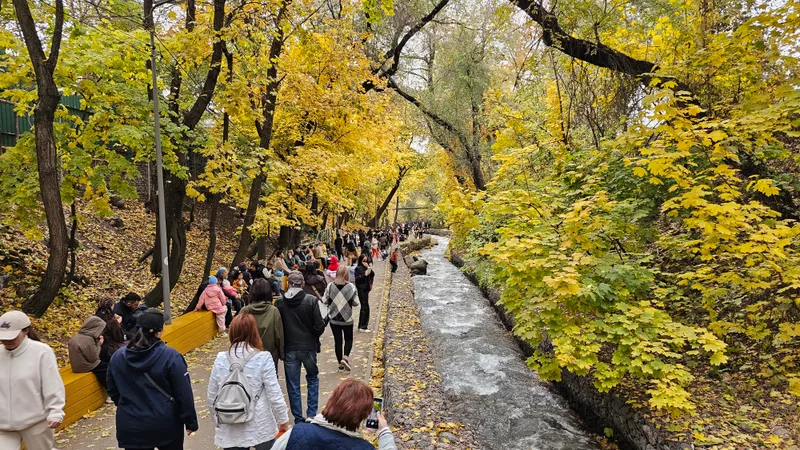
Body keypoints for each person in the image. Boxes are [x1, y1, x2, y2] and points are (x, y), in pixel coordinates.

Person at [108, 309, 198, 450]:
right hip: (165, 424)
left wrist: (128, 405)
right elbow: (183, 393)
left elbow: (113, 389)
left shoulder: (118, 356)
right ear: (159, 331)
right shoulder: (171, 357)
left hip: (131, 424)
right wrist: (190, 421)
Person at [207, 314, 290, 450]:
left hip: (230, 424)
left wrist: (217, 419)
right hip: (260, 424)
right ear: (254, 333)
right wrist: (283, 421)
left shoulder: (221, 359)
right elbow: (274, 394)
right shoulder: (263, 358)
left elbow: (212, 396)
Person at [0, 311, 65, 450]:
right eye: (3, 337)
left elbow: (52, 384)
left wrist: (55, 411)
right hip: (3, 426)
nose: (7, 341)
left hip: (36, 422)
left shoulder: (41, 352)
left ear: (26, 331)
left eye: (12, 336)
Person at [271, 379, 397, 450]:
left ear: (332, 401)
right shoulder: (364, 448)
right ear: (364, 415)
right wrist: (384, 432)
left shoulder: (296, 433)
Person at [275, 271, 326, 424]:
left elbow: (279, 328)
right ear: (303, 284)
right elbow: (319, 326)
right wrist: (315, 333)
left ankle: (298, 418)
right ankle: (311, 415)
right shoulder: (311, 300)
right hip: (309, 347)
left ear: (288, 284)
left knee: (293, 385)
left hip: (290, 348)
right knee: (312, 378)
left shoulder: (279, 303)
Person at [240, 279, 284, 370]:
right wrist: (281, 353)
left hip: (248, 356)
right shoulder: (273, 311)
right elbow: (279, 334)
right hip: (270, 355)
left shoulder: (245, 311)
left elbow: (238, 333)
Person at [323, 266, 359, 372]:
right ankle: (345, 357)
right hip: (347, 318)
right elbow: (356, 303)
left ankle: (340, 365)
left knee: (338, 341)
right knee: (348, 339)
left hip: (334, 319)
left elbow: (324, 300)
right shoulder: (351, 287)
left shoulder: (330, 286)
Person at [68, 316, 109, 392]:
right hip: (85, 366)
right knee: (107, 369)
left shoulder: (76, 336)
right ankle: (110, 390)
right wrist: (99, 344)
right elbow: (93, 358)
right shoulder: (88, 340)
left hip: (76, 366)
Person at [96, 297, 127, 363]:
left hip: (96, 344)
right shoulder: (112, 321)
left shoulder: (94, 317)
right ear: (112, 306)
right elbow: (119, 338)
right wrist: (118, 323)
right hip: (107, 348)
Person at [354, 254, 375, 333]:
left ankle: (364, 325)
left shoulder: (366, 267)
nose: (366, 262)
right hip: (361, 289)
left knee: (366, 307)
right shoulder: (358, 268)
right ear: (361, 261)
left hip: (366, 289)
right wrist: (365, 274)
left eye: (367, 260)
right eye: (364, 261)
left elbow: (372, 274)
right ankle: (362, 326)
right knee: (364, 307)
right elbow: (358, 280)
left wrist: (369, 268)